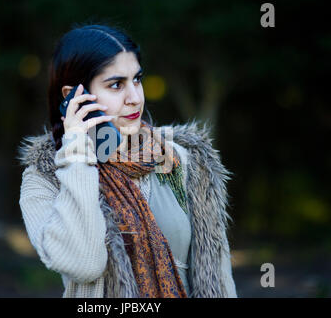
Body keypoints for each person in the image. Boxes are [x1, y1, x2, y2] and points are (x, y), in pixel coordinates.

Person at [18, 23, 237, 298]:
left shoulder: (180, 160)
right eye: (116, 85)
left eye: (137, 79)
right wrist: (76, 152)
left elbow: (219, 276)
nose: (134, 98)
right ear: (73, 96)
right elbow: (85, 264)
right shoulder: (44, 179)